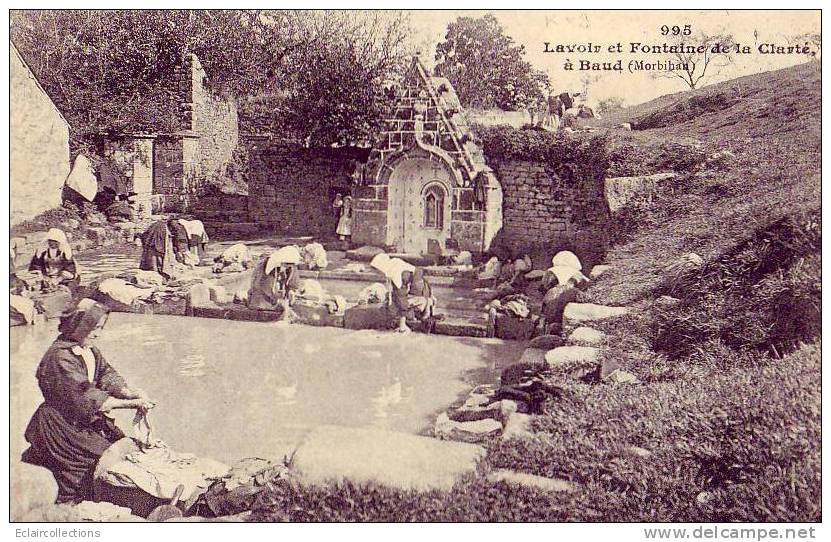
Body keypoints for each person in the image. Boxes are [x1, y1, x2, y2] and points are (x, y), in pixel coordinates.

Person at [21, 299, 155, 504]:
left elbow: (107, 375)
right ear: (78, 326)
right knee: (88, 465)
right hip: (61, 424)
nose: (98, 333)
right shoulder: (60, 357)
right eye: (94, 328)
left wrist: (130, 393)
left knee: (119, 446)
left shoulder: (89, 350)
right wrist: (132, 404)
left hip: (84, 418)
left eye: (100, 328)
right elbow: (85, 397)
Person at [370, 254, 436, 333]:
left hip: (420, 290)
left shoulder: (396, 273)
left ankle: (427, 303)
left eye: (378, 270)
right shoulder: (393, 264)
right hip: (417, 285)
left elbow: (401, 298)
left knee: (403, 308)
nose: (378, 273)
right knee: (393, 307)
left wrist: (402, 325)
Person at [247, 246, 302, 320]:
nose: (288, 266)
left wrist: (292, 290)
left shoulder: (292, 265)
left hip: (276, 292)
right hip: (261, 292)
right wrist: (276, 299)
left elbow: (293, 280)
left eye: (290, 264)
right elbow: (262, 285)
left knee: (288, 302)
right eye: (286, 264)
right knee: (262, 305)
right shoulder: (266, 265)